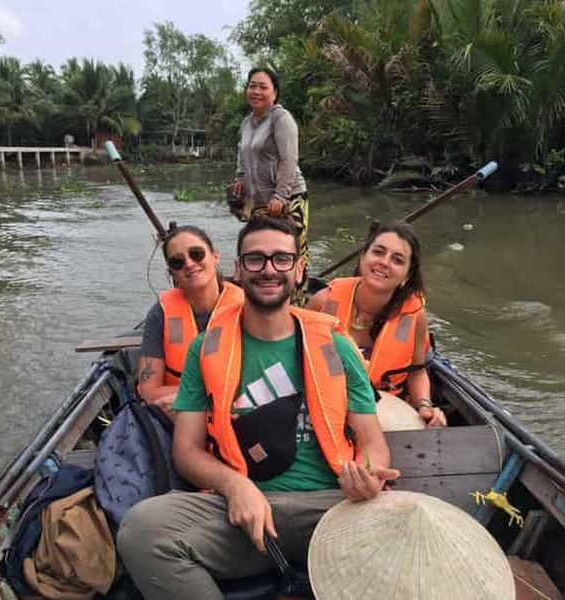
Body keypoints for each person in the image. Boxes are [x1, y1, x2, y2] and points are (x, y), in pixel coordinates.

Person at [117, 217, 399, 600]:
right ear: (237, 269)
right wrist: (235, 486)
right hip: (242, 514)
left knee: (413, 528)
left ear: (299, 271)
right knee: (141, 530)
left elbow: (372, 443)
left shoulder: (337, 345)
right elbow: (186, 452)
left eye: (282, 259)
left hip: (334, 507)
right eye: (255, 259)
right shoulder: (206, 349)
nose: (269, 269)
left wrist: (365, 475)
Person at [307, 222, 447, 428]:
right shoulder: (323, 302)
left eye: (397, 260)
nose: (384, 262)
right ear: (363, 257)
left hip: (387, 410)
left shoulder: (414, 316)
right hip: (327, 406)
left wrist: (424, 406)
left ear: (407, 275)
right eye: (378, 252)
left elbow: (417, 371)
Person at [137, 225, 243, 419]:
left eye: (197, 254)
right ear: (172, 273)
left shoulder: (246, 308)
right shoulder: (160, 313)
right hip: (177, 418)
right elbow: (148, 391)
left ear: (215, 256)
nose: (189, 263)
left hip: (234, 414)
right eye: (178, 261)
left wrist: (194, 399)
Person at [230, 67, 309, 299]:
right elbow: (242, 157)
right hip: (259, 202)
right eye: (252, 85)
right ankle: (262, 304)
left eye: (263, 87)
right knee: (260, 254)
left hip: (289, 198)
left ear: (275, 93)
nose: (256, 91)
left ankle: (297, 307)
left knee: (291, 255)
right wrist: (240, 179)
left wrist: (281, 197)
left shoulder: (281, 119)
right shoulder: (246, 122)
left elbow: (289, 160)